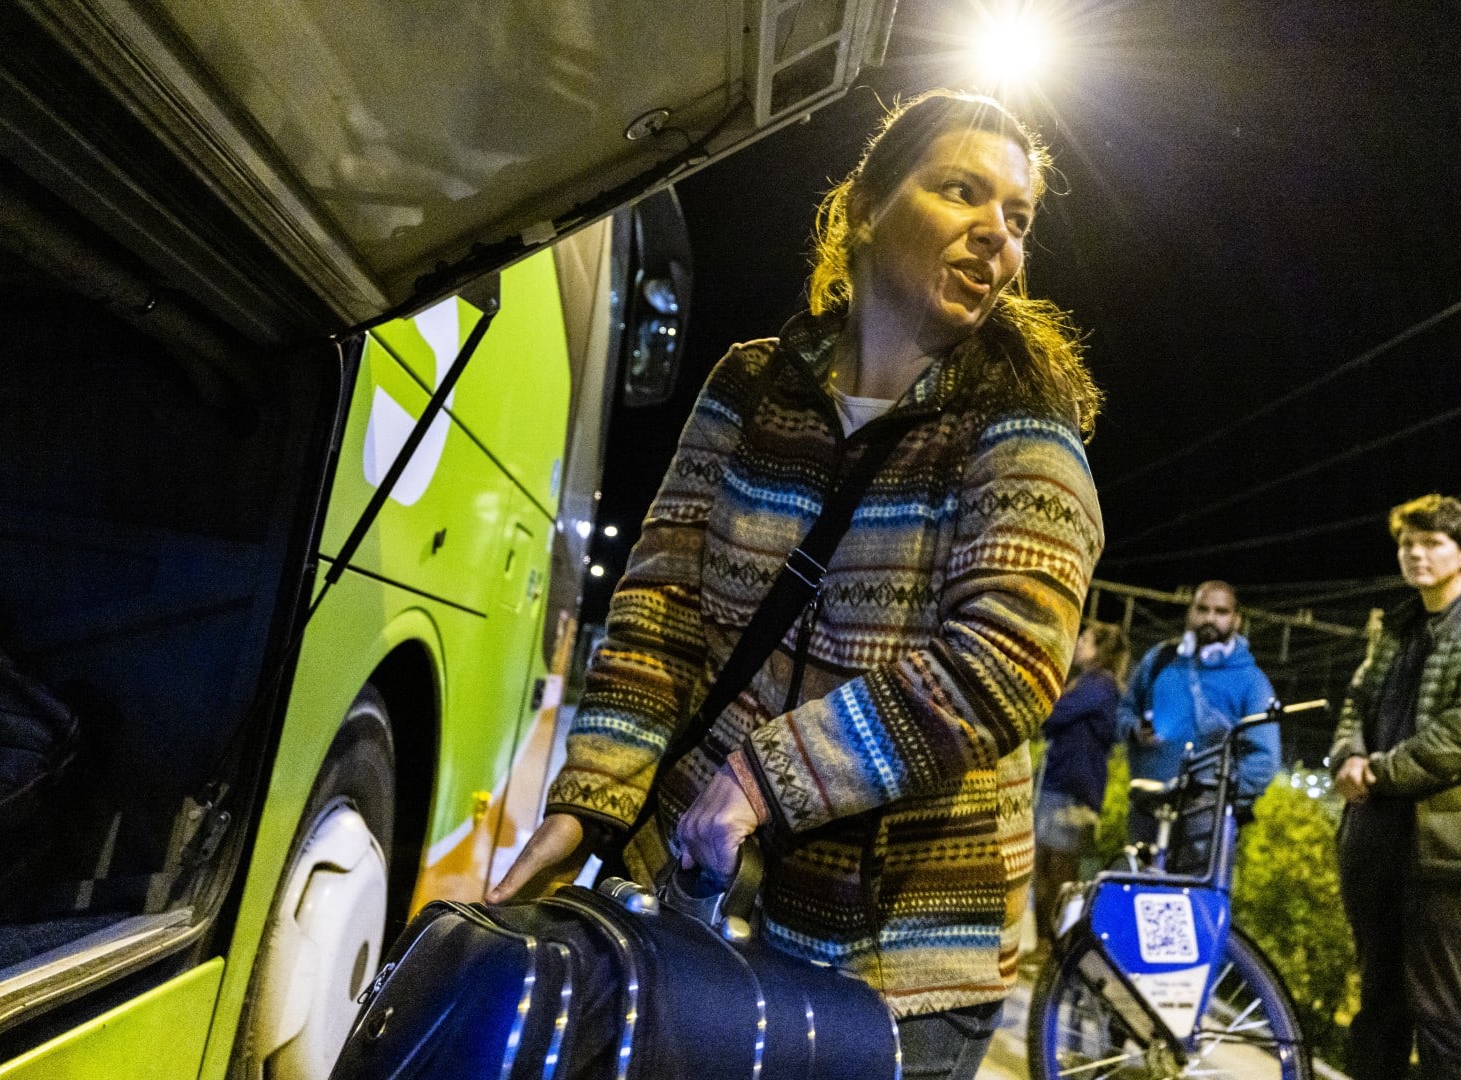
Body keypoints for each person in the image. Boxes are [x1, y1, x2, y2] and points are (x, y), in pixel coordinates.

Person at [488, 90, 1104, 1079]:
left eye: (1018, 217)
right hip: (703, 897)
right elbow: (659, 609)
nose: (997, 232)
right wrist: (593, 800)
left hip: (903, 969)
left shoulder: (1020, 428)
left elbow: (1011, 660)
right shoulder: (748, 386)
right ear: (863, 209)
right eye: (961, 192)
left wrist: (763, 778)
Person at [1330, 495, 1461, 1080]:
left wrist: (1379, 770)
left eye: (1432, 544)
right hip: (1372, 837)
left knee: (1441, 1010)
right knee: (1378, 1003)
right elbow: (1355, 702)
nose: (1415, 555)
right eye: (1406, 545)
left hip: (1446, 850)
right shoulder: (1395, 628)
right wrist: (1347, 753)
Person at [1115, 580, 1279, 850]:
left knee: (1193, 892)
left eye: (1221, 611)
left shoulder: (1252, 682)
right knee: (1140, 889)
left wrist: (1218, 798)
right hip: (1147, 813)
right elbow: (1124, 710)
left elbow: (1265, 758)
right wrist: (1134, 730)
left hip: (1207, 827)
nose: (1210, 618)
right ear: (1190, 612)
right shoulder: (1160, 659)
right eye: (1202, 609)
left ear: (1236, 621)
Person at [1031, 621, 1128, 956]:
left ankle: (1059, 949)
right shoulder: (1087, 683)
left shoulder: (1100, 685)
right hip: (1060, 785)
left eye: (1085, 639)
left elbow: (1054, 714)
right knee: (1044, 869)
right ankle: (1047, 945)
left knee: (1060, 874)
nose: (1078, 644)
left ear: (1102, 650)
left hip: (1073, 791)